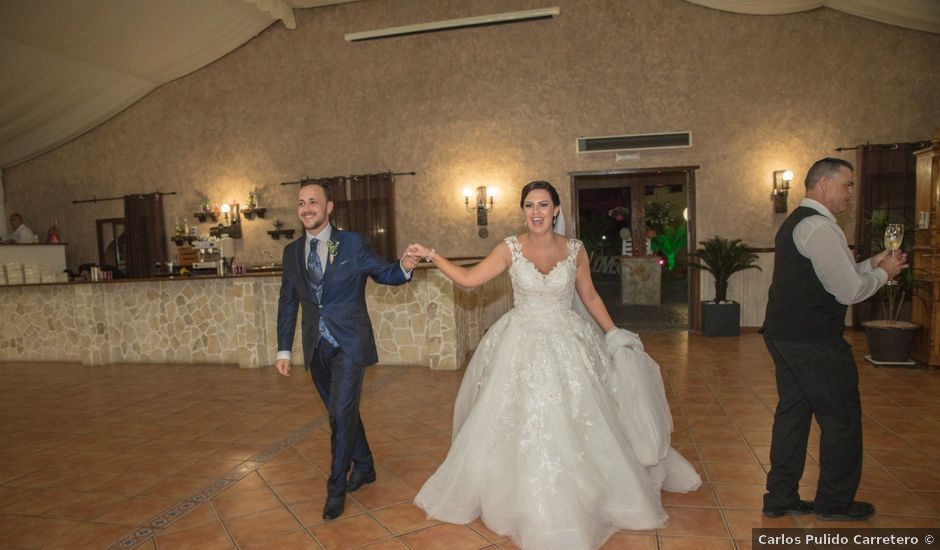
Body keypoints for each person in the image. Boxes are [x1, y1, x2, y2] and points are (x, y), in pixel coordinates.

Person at [408, 181, 701, 550]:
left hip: (569, 344)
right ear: (523, 211)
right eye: (529, 205)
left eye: (543, 205)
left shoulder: (575, 249)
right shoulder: (510, 248)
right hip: (521, 344)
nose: (536, 212)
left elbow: (589, 295)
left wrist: (613, 334)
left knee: (583, 417)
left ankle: (590, 493)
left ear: (556, 210)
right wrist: (431, 254)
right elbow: (468, 280)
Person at [762, 158, 907, 522]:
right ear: (824, 184)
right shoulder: (819, 227)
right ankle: (834, 503)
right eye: (847, 185)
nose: (851, 193)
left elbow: (832, 276)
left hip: (785, 335)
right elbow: (848, 291)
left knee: (792, 415)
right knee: (841, 418)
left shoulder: (799, 222)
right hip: (814, 340)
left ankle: (779, 497)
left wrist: (873, 263)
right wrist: (884, 273)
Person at [275, 180, 419, 520]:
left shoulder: (351, 244)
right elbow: (287, 301)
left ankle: (335, 488)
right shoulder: (292, 252)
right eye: (300, 202)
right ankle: (365, 465)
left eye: (313, 201)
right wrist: (283, 349)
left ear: (329, 207)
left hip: (350, 345)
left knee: (339, 415)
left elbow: (384, 272)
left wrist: (405, 266)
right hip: (316, 348)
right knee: (342, 412)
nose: (306, 208)